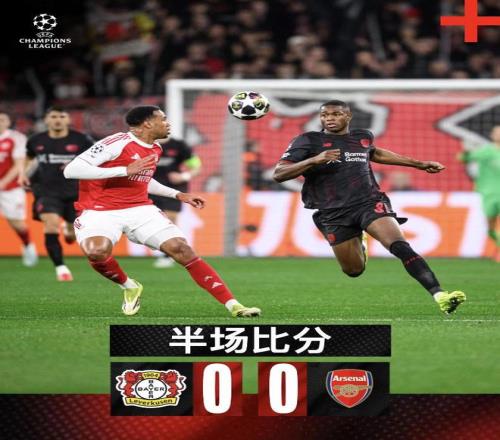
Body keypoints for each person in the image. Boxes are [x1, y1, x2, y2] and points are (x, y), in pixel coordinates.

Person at [63, 105, 260, 318]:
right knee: (96, 252)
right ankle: (129, 286)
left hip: (140, 209)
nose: (168, 124)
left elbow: (143, 179)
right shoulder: (116, 143)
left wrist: (178, 194)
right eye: (163, 119)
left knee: (182, 249)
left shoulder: (155, 147)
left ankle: (234, 306)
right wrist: (124, 170)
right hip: (99, 210)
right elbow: (71, 170)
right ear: (148, 123)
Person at [273, 100, 466, 314]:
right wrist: (313, 161)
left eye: (336, 114)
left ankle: (440, 295)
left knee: (399, 245)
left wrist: (419, 164)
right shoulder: (308, 140)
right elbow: (279, 174)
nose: (329, 118)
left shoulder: (362, 137)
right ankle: (360, 240)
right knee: (353, 270)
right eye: (325, 115)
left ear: (348, 116)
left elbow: (375, 153)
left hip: (369, 203)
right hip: (332, 212)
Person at [23, 106, 94, 281]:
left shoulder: (81, 139)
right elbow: (29, 157)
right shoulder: (35, 140)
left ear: (68, 120)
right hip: (46, 192)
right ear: (46, 120)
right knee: (51, 225)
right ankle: (61, 267)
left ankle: (68, 228)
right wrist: (23, 173)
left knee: (71, 235)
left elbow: (96, 158)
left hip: (75, 192)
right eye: (54, 116)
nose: (58, 120)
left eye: (62, 116)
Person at [150, 137, 201, 268]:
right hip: (149, 187)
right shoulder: (145, 144)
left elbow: (196, 166)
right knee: (153, 221)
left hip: (173, 189)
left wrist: (184, 176)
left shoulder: (178, 145)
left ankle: (168, 255)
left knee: (170, 219)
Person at [0, 111, 38, 266]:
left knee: (17, 224)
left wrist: (2, 183)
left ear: (8, 122)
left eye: (2, 119)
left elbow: (18, 165)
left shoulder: (16, 138)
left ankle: (28, 245)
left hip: (10, 189)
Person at [459, 125, 500, 262]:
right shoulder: (486, 151)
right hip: (488, 193)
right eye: (496, 132)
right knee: (490, 227)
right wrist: (466, 152)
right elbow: (463, 158)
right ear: (492, 135)